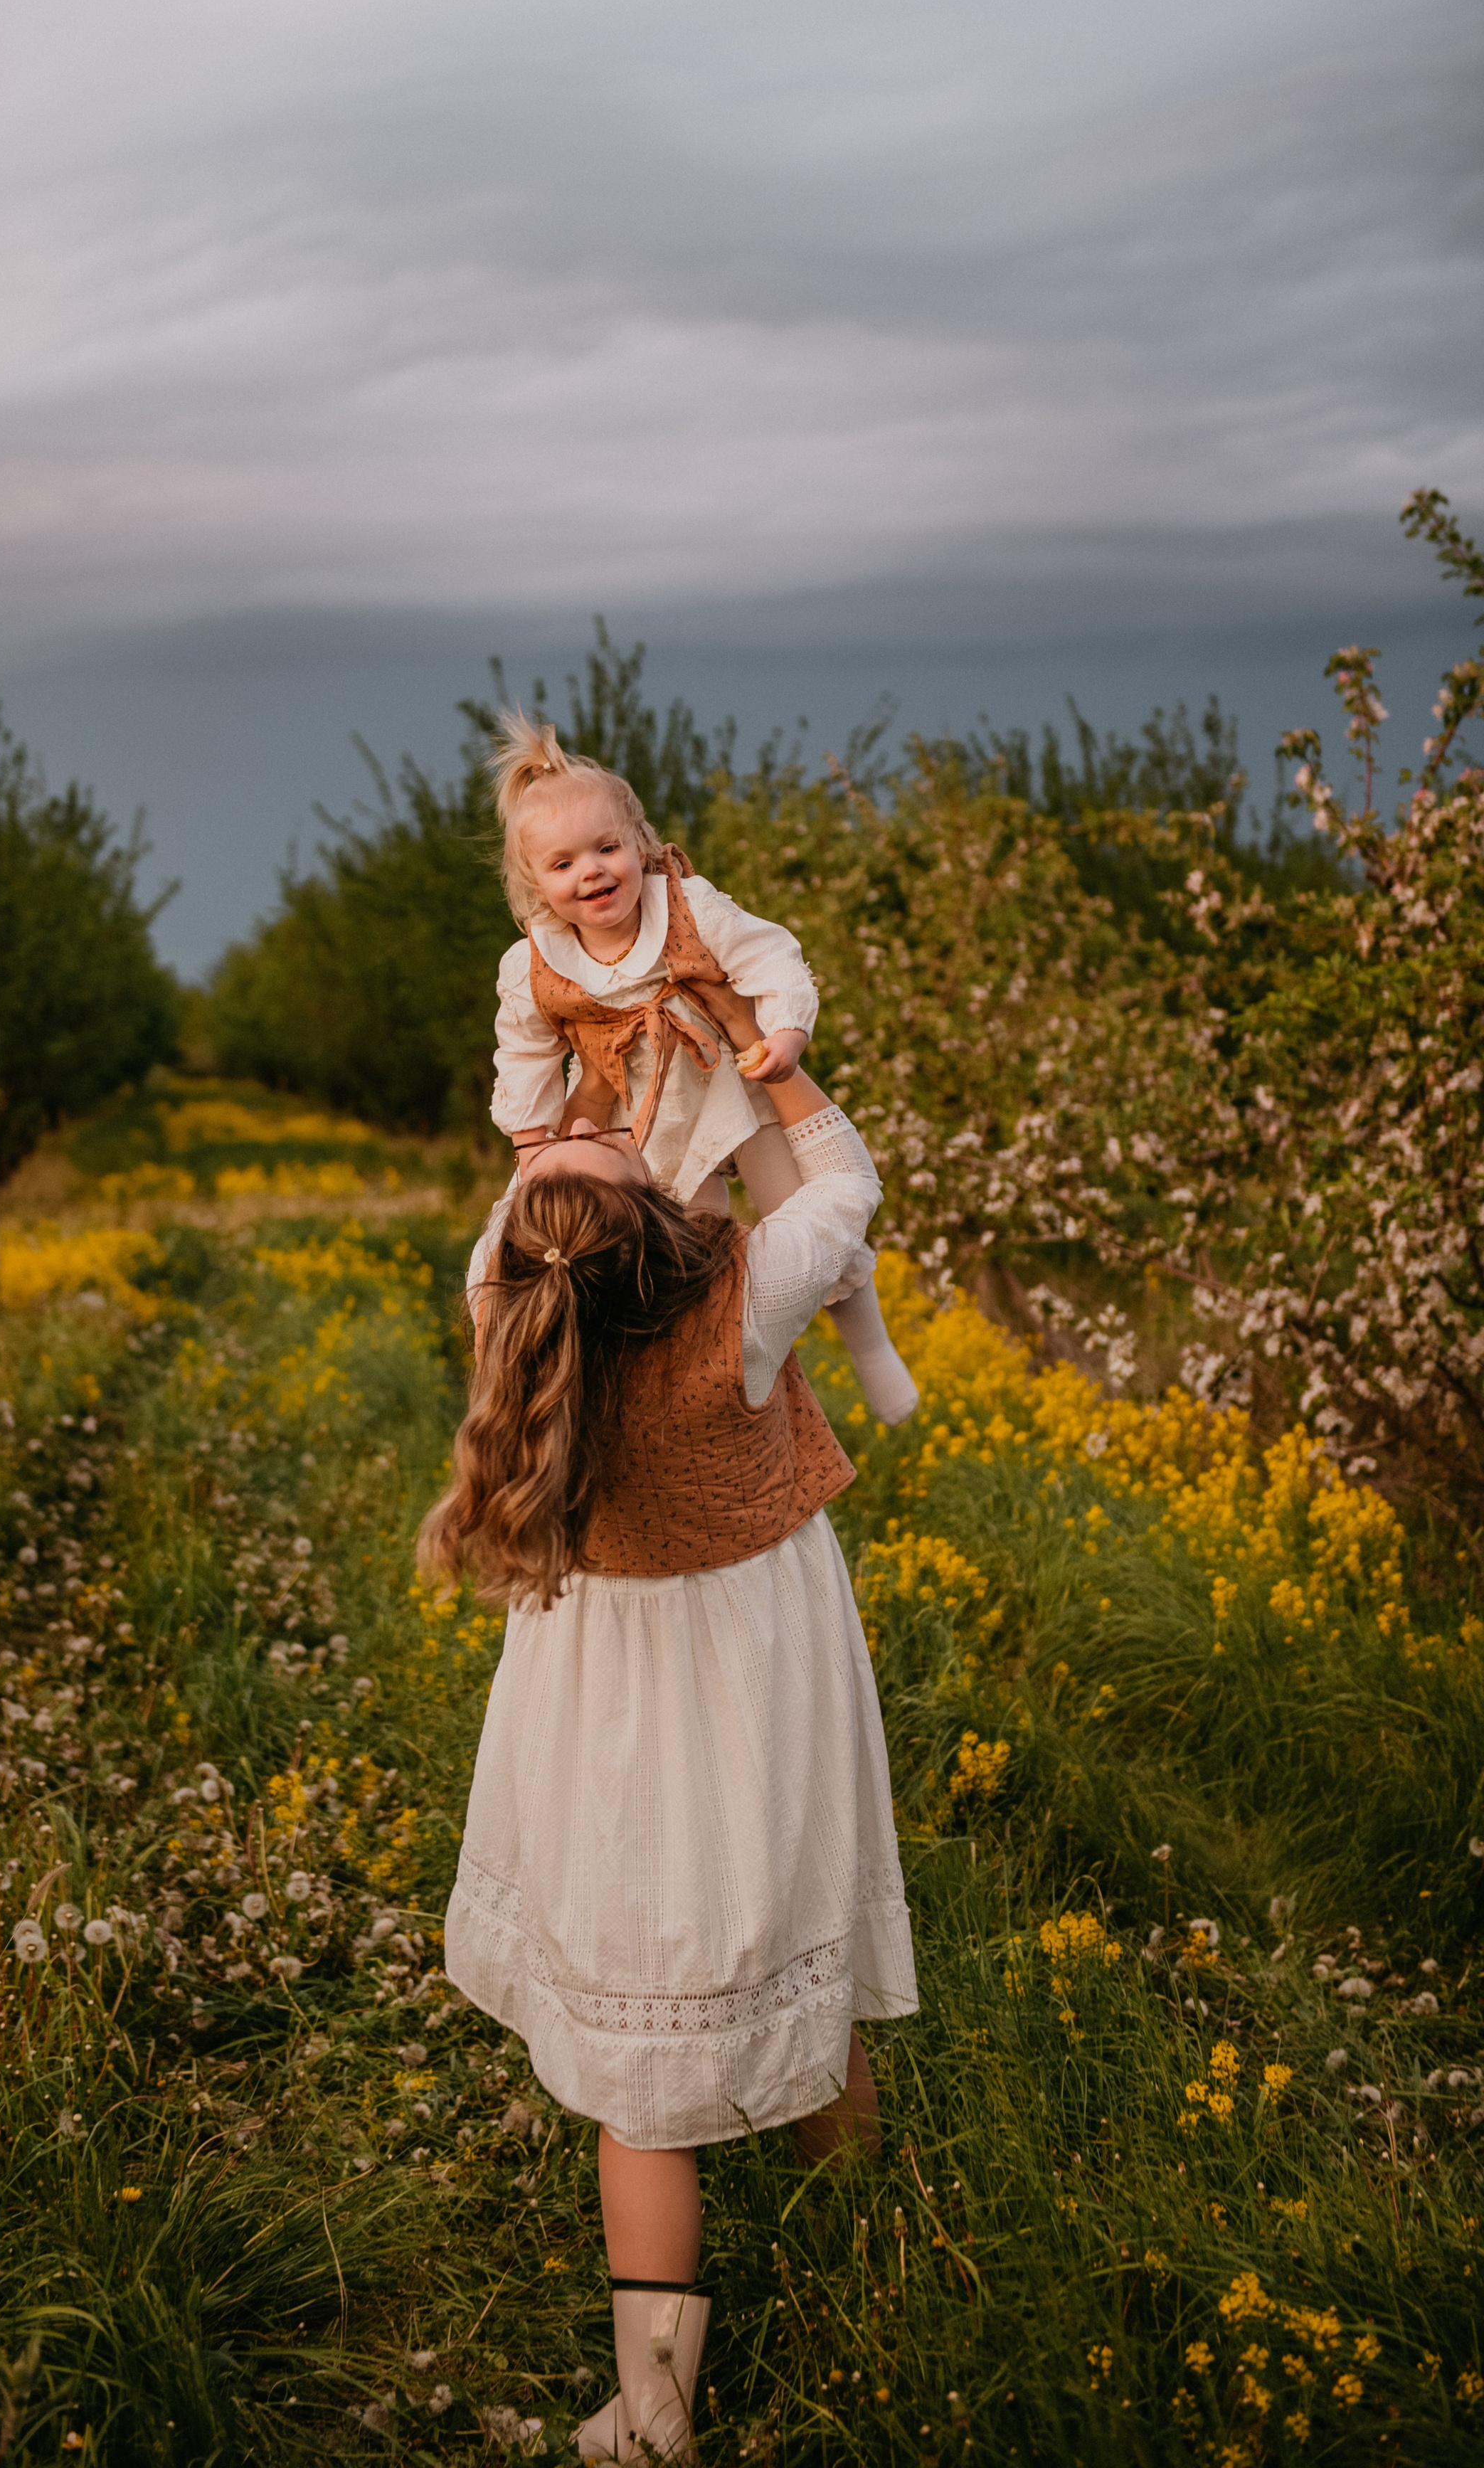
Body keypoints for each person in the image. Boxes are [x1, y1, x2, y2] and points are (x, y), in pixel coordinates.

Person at [421, 1055, 918, 2463]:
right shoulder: (748, 1293)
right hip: (762, 1666)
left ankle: (651, 2410)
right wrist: (772, 1064)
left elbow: (537, 1180)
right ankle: (870, 2284)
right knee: (802, 1943)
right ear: (659, 1224)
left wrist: (560, 1126)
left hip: (600, 1694)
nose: (600, 1130)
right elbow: (847, 1184)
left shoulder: (502, 1296)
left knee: (641, 2080)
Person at [484, 711, 918, 1428]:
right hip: (619, 1114)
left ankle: (870, 1350)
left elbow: (772, 955)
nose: (590, 872)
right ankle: (673, 1371)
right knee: (617, 1234)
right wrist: (532, 1142)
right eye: (562, 865)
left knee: (809, 1208)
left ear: (642, 845)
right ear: (532, 881)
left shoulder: (689, 909)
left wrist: (784, 1032)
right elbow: (524, 1049)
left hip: (730, 1082)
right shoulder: (532, 961)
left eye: (606, 849)